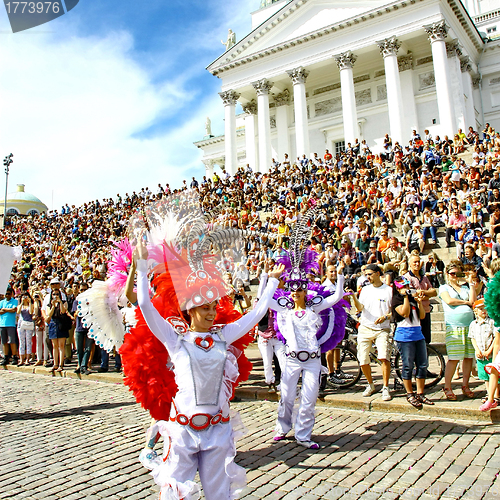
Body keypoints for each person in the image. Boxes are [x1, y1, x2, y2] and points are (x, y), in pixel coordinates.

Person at [135, 237, 284, 500]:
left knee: (218, 494)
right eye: (205, 308)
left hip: (217, 429)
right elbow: (145, 305)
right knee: (176, 493)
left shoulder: (224, 335)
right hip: (182, 431)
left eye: (214, 307)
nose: (212, 313)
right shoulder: (175, 339)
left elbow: (257, 313)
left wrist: (271, 281)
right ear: (190, 310)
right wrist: (143, 266)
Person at [270, 257, 346, 449]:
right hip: (291, 360)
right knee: (286, 396)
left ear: (305, 290)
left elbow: (336, 297)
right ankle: (282, 427)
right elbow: (266, 301)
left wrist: (340, 274)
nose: (295, 292)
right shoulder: (284, 307)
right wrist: (268, 278)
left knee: (309, 398)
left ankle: (303, 435)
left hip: (312, 360)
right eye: (292, 289)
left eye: (299, 289)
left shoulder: (315, 306)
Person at [349, 264, 392, 400]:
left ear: (378, 273)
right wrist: (354, 297)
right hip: (365, 327)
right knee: (363, 359)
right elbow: (360, 307)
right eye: (366, 274)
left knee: (384, 357)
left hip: (382, 328)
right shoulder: (365, 290)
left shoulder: (389, 290)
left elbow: (394, 310)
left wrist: (385, 317)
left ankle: (385, 387)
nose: (367, 277)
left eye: (370, 274)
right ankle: (371, 384)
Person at [391, 277, 434, 408]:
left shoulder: (413, 298)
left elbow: (422, 316)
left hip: (418, 334)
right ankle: (409, 393)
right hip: (404, 335)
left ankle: (420, 393)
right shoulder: (396, 299)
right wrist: (405, 298)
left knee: (422, 365)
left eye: (408, 286)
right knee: (408, 365)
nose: (407, 289)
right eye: (403, 287)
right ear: (398, 288)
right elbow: (404, 313)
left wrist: (419, 302)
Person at [439, 260, 476, 400]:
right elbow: (449, 301)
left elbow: (473, 300)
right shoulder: (444, 287)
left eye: (457, 273)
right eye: (452, 273)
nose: (454, 276)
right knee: (454, 358)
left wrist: (470, 282)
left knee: (468, 357)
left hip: (468, 326)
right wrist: (466, 302)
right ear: (447, 274)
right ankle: (447, 386)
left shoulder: (465, 288)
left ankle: (465, 385)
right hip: (454, 326)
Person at [468, 299, 499, 405]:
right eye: (480, 309)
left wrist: (490, 350)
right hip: (480, 355)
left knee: (494, 375)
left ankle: (496, 395)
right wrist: (477, 349)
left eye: (485, 308)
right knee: (485, 376)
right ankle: (488, 393)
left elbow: (496, 338)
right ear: (475, 311)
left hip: (490, 354)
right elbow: (472, 338)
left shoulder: (492, 322)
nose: (483, 311)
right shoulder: (473, 324)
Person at [403, 255, 437, 344]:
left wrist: (421, 292)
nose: (417, 264)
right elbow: (412, 294)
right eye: (415, 262)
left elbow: (434, 292)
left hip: (426, 310)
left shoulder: (424, 277)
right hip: (415, 311)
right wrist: (427, 293)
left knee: (426, 339)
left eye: (418, 262)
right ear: (409, 264)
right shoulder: (406, 277)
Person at [43, 288, 70, 373]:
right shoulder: (49, 304)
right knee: (54, 345)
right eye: (54, 294)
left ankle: (61, 364)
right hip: (53, 323)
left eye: (57, 294)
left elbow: (63, 311)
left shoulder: (64, 302)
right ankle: (55, 363)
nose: (55, 296)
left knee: (61, 345)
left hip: (61, 323)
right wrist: (53, 306)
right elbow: (49, 315)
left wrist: (60, 303)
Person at [0, 288, 19, 366]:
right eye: (6, 294)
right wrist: (8, 310)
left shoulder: (15, 301)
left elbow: (14, 309)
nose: (7, 295)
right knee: (4, 342)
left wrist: (4, 309)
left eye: (8, 293)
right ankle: (6, 357)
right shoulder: (2, 302)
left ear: (11, 294)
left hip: (11, 324)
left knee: (12, 341)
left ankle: (14, 356)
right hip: (2, 324)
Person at [17, 292, 35, 366]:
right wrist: (21, 303)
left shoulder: (31, 305)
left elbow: (31, 312)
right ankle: (21, 359)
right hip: (21, 324)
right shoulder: (20, 306)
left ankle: (27, 359)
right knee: (21, 342)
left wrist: (29, 302)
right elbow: (18, 312)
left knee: (28, 341)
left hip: (29, 324)